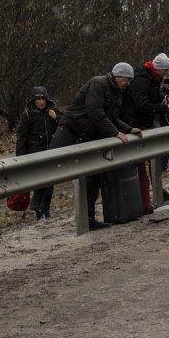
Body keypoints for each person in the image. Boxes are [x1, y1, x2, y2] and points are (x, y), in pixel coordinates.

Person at [51, 63, 143, 230]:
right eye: (126, 80)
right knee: (49, 165)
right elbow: (94, 111)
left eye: (130, 81)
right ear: (117, 76)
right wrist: (115, 132)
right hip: (71, 128)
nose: (128, 84)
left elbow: (112, 117)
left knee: (93, 176)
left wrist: (128, 129)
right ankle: (39, 207)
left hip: (89, 135)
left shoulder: (117, 92)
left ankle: (89, 218)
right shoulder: (98, 83)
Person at [121, 53, 169, 210]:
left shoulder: (152, 78)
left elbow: (152, 97)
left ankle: (155, 190)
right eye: (165, 71)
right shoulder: (142, 80)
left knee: (157, 156)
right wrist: (164, 108)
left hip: (146, 122)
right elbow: (142, 105)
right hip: (136, 125)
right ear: (158, 69)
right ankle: (144, 195)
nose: (167, 74)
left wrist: (163, 99)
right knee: (144, 162)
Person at [15, 86, 60, 221]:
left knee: (50, 184)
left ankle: (46, 210)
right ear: (33, 101)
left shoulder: (52, 111)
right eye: (38, 99)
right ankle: (39, 211)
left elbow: (63, 125)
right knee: (41, 183)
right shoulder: (28, 115)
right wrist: (20, 159)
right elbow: (21, 138)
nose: (41, 102)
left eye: (43, 99)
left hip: (50, 151)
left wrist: (56, 117)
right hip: (35, 154)